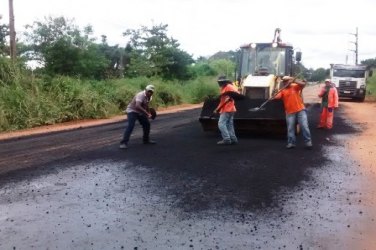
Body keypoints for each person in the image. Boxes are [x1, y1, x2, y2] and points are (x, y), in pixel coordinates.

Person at [274, 76, 313, 149]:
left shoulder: (295, 86)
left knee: (304, 126)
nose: (286, 82)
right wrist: (274, 94)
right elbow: (276, 97)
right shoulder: (282, 90)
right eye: (284, 81)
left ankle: (308, 142)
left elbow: (303, 84)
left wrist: (294, 81)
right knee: (290, 128)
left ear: (290, 81)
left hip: (300, 110)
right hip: (289, 112)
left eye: (287, 81)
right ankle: (291, 143)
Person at [119, 84, 156, 149]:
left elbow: (146, 105)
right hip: (132, 111)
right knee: (131, 125)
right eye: (149, 91)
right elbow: (137, 106)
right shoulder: (140, 95)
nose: (150, 93)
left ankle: (146, 140)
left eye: (151, 92)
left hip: (140, 112)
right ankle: (123, 143)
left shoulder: (149, 97)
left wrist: (149, 113)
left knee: (146, 124)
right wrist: (147, 113)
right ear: (146, 90)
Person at [213, 76, 239, 145]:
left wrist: (230, 97)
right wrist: (217, 109)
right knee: (229, 124)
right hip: (229, 109)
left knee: (221, 124)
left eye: (220, 82)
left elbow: (237, 93)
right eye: (219, 82)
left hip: (228, 109)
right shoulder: (223, 88)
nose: (219, 83)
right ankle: (233, 139)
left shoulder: (229, 86)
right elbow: (222, 101)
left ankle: (227, 139)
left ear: (224, 82)